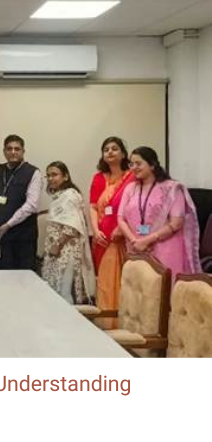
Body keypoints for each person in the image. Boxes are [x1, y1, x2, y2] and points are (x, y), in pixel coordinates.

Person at [117, 146, 201, 280]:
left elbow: (176, 223)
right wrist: (135, 241)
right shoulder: (130, 188)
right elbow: (120, 218)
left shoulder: (171, 188)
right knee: (140, 288)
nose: (134, 167)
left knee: (164, 288)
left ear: (152, 165)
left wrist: (147, 240)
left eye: (138, 163)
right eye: (131, 164)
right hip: (136, 248)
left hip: (165, 248)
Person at [88, 136, 133, 321]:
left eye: (114, 148)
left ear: (123, 153)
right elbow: (93, 206)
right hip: (101, 237)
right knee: (104, 281)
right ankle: (106, 320)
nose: (110, 152)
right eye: (106, 149)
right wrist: (95, 231)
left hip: (122, 237)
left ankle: (122, 319)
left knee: (121, 280)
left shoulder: (131, 177)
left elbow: (133, 207)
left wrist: (121, 229)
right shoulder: (99, 178)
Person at [41, 161, 96, 304]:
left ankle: (68, 317)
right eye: (48, 175)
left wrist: (57, 245)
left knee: (64, 290)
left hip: (66, 249)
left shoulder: (70, 195)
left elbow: (72, 226)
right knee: (55, 289)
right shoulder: (60, 196)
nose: (50, 178)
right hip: (56, 249)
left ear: (65, 176)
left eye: (54, 175)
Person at [0, 134, 43, 270]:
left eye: (17, 149)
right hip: (1, 234)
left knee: (22, 276)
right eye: (9, 149)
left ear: (23, 151)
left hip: (23, 236)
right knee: (1, 273)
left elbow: (31, 205)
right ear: (4, 151)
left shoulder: (33, 172)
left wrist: (8, 224)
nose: (13, 152)